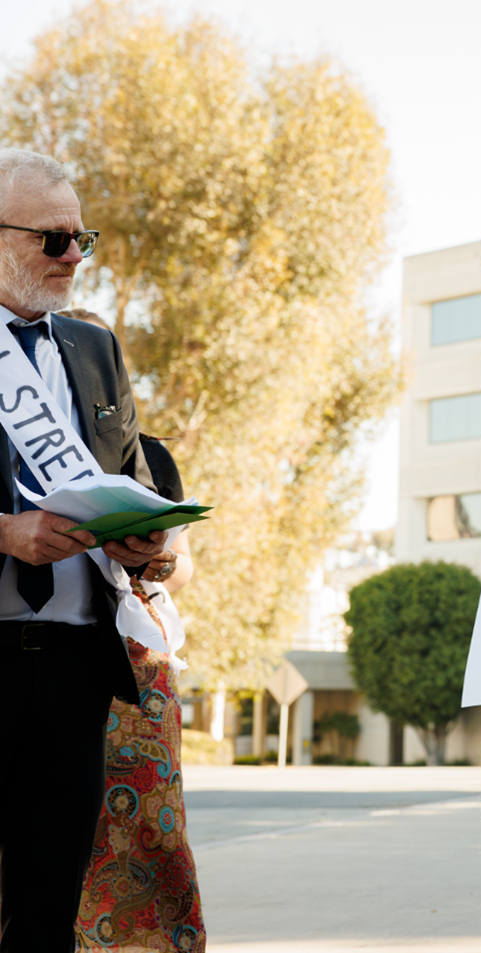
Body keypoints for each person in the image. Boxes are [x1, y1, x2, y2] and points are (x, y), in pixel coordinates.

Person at [0, 148, 165, 952]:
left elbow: (131, 475)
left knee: (47, 906)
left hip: (73, 668)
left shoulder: (95, 349)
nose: (73, 257)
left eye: (80, 238)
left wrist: (149, 541)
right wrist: (2, 532)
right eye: (52, 239)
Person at [62, 303, 205, 950]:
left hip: (137, 661)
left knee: (152, 830)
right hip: (47, 653)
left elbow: (183, 564)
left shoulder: (146, 454)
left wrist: (155, 556)